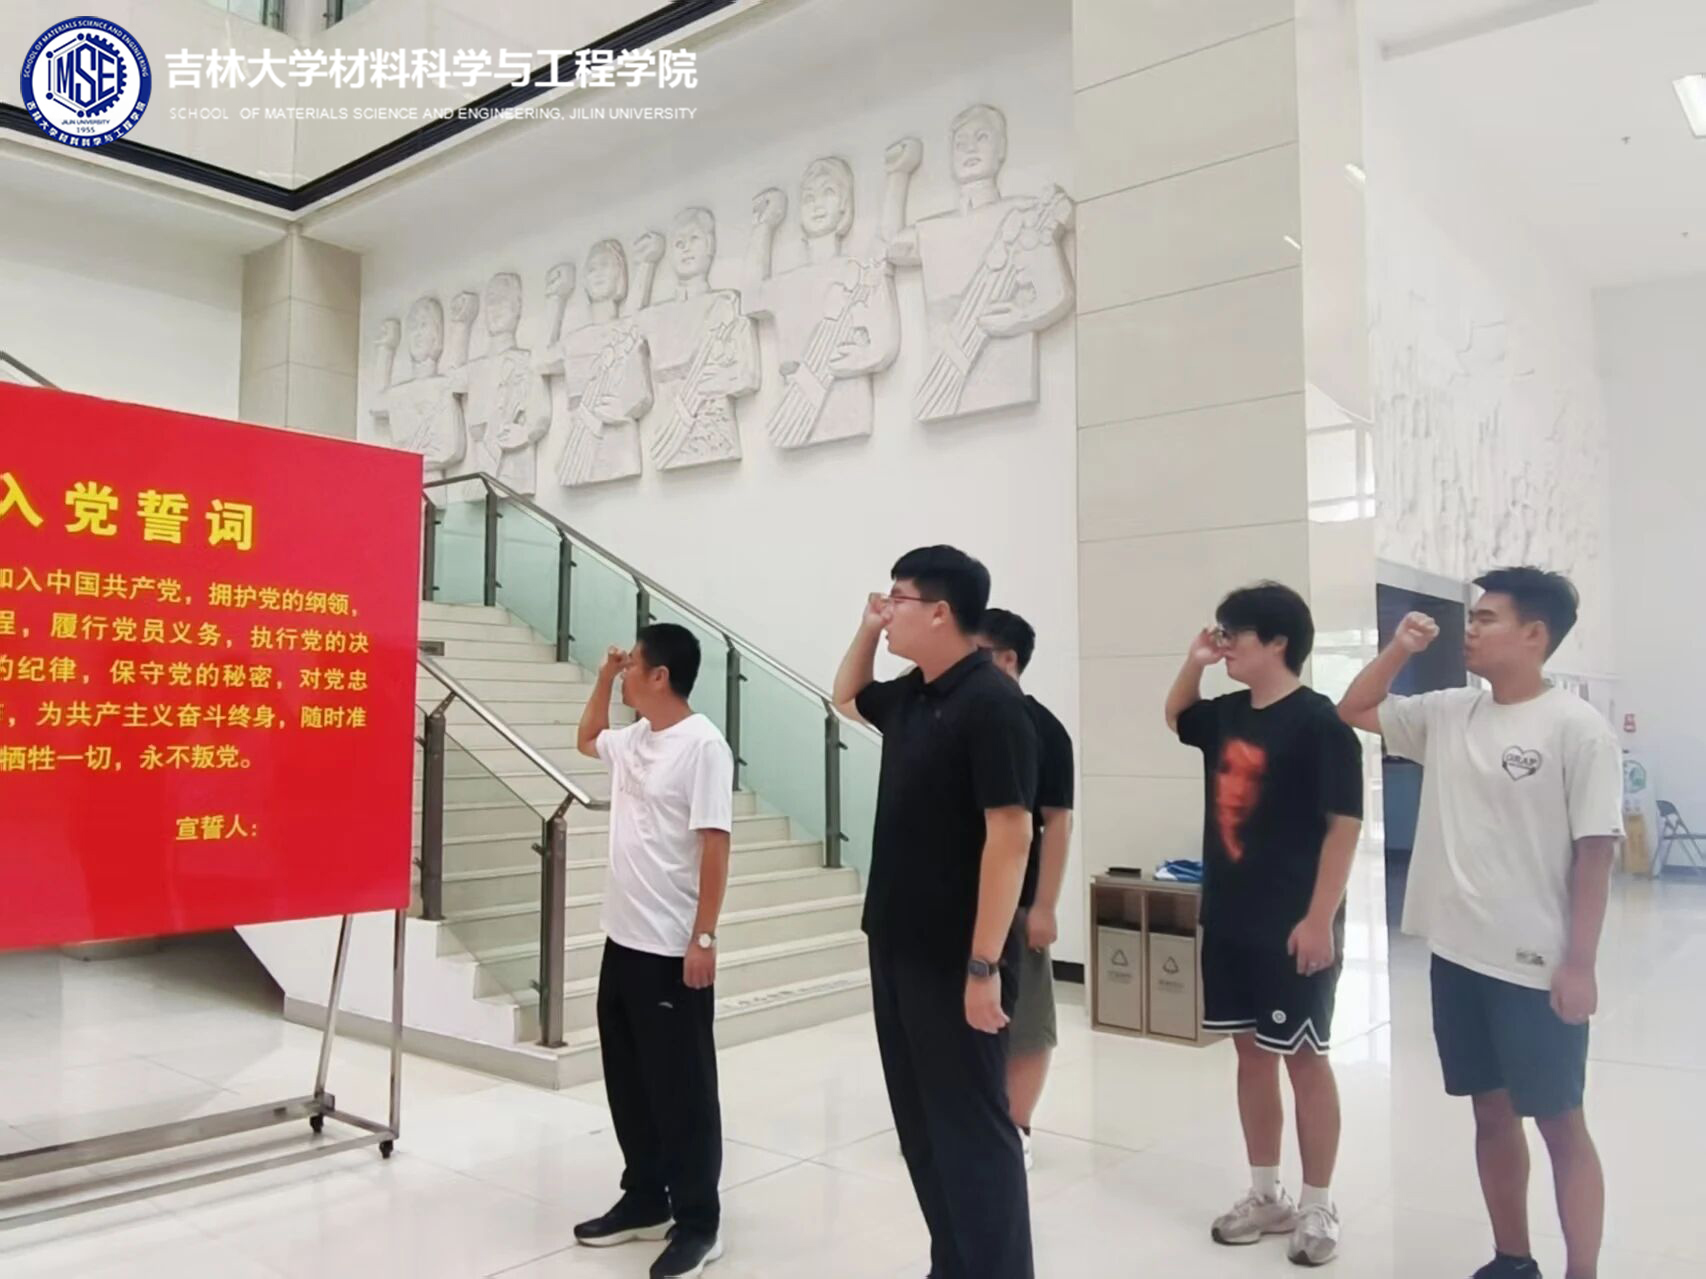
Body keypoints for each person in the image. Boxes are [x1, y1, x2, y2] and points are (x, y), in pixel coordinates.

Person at [1338, 568, 1621, 1279]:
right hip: (1458, 955)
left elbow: (1596, 853)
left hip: (1535, 965)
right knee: (1490, 1114)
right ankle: (1512, 1258)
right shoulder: (1449, 712)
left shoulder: (1577, 729)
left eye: (1488, 618)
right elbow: (1355, 706)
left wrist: (1580, 963)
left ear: (1535, 635)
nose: (1472, 628)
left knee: (1560, 1122)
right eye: (1473, 616)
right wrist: (1400, 648)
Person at [833, 546, 1038, 1279]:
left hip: (958, 956)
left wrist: (984, 964)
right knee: (921, 1128)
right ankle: (952, 1263)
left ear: (941, 612)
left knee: (973, 1130)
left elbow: (1011, 836)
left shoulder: (993, 704)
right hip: (895, 942)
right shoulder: (912, 695)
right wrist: (867, 626)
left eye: (898, 600)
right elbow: (846, 695)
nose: (888, 612)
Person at [1164, 582, 1364, 1267]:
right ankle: (1264, 1192)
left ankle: (1318, 1202)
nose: (1224, 646)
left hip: (1293, 923)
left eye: (1233, 635)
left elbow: (1344, 826)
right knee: (1250, 1054)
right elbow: (1176, 715)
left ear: (1278, 642)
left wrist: (1320, 918)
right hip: (1229, 917)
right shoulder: (1224, 714)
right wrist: (1194, 661)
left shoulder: (1321, 724)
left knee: (1305, 1057)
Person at [572, 623, 735, 1279]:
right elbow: (587, 737)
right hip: (623, 939)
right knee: (630, 1080)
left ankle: (699, 1221)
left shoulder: (704, 747)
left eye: (633, 664)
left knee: (683, 1091)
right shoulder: (636, 738)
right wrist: (603, 677)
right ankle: (645, 1195)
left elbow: (716, 843)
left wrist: (704, 936)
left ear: (661, 676)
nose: (626, 671)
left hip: (672, 948)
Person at [973, 607, 1074, 1172]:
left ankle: (1018, 1126)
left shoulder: (1042, 728)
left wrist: (1045, 905)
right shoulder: (956, 715)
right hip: (955, 898)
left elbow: (1056, 821)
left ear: (1008, 658)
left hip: (1017, 900)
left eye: (978, 652)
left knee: (1027, 1020)